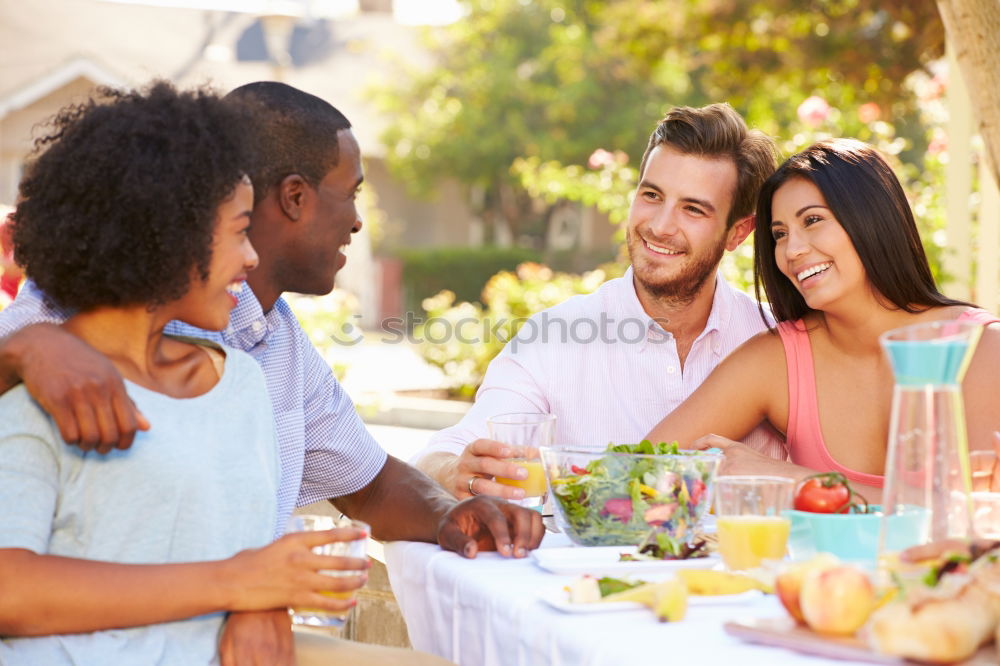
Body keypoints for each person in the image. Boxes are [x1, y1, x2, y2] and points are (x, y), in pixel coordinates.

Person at [0, 81, 541, 664]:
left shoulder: (258, 356)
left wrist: (449, 515)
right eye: (351, 194)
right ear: (293, 197)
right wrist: (23, 349)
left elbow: (362, 483)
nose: (358, 223)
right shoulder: (52, 341)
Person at [0, 81, 377, 664]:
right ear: (169, 238)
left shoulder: (244, 381)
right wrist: (243, 584)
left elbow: (252, 531)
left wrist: (262, 601)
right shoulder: (41, 384)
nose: (251, 257)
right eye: (237, 231)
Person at [412, 103, 787, 500]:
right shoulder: (555, 337)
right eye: (652, 195)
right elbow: (440, 456)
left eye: (693, 209)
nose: (660, 226)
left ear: (738, 232)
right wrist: (454, 470)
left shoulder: (778, 342)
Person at [644, 139, 1000, 497]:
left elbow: (975, 519)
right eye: (780, 235)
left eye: (812, 220)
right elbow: (637, 475)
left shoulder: (981, 348)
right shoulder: (779, 359)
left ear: (873, 218)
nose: (792, 251)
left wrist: (793, 480)